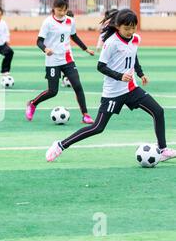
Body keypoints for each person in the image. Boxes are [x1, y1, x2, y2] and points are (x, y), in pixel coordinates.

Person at [46, 9, 176, 163]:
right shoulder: (111, 43)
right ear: (118, 26)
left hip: (132, 89)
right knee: (97, 127)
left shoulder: (135, 39)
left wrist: (140, 74)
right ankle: (61, 145)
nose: (130, 31)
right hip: (113, 94)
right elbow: (101, 66)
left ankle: (162, 150)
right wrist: (120, 76)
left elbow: (133, 57)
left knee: (158, 111)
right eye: (126, 28)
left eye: (133, 28)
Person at [25, 0, 96, 124]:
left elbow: (74, 36)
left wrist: (86, 49)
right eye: (59, 10)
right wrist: (45, 49)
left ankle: (85, 115)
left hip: (68, 58)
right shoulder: (48, 22)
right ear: (54, 9)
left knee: (78, 86)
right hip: (52, 61)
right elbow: (39, 41)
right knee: (53, 91)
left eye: (64, 10)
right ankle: (32, 103)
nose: (62, 13)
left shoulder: (70, 21)